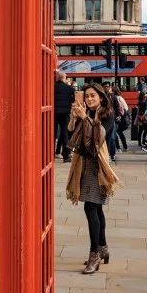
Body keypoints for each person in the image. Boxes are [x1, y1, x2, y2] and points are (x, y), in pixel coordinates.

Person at [66, 83, 119, 274]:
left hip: (99, 166)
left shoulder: (107, 114)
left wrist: (84, 118)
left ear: (101, 97)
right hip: (85, 164)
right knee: (96, 208)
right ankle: (103, 247)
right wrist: (74, 119)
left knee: (90, 208)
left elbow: (100, 137)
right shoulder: (85, 114)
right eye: (87, 96)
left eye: (93, 96)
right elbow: (71, 135)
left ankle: (94, 254)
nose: (89, 99)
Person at [53, 70, 75, 162]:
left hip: (53, 113)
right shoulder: (70, 89)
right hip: (65, 113)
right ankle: (66, 155)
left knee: (52, 134)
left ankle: (49, 154)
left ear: (57, 78)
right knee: (65, 134)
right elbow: (73, 100)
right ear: (65, 78)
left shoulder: (52, 87)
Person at [113, 87, 130, 153]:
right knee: (119, 132)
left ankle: (118, 147)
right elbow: (126, 108)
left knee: (116, 133)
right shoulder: (120, 98)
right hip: (121, 118)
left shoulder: (116, 98)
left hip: (118, 118)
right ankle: (124, 147)